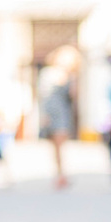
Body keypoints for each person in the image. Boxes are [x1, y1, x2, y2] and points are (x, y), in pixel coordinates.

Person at [38, 45, 80, 189]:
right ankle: (60, 174)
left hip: (63, 113)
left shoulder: (69, 76)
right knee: (55, 146)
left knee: (61, 145)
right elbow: (43, 96)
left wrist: (73, 80)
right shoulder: (47, 73)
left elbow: (73, 96)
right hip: (52, 113)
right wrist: (44, 115)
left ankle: (62, 174)